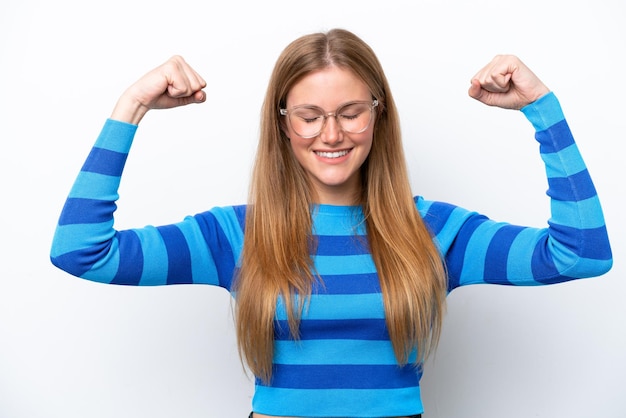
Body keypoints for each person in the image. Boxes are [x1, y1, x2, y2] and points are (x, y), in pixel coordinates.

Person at [50, 28, 613, 418]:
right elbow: (83, 252)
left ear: (377, 113)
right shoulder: (236, 235)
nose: (331, 134)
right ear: (283, 123)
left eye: (350, 113)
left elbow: (581, 253)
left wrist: (543, 107)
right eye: (309, 116)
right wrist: (131, 105)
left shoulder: (437, 232)